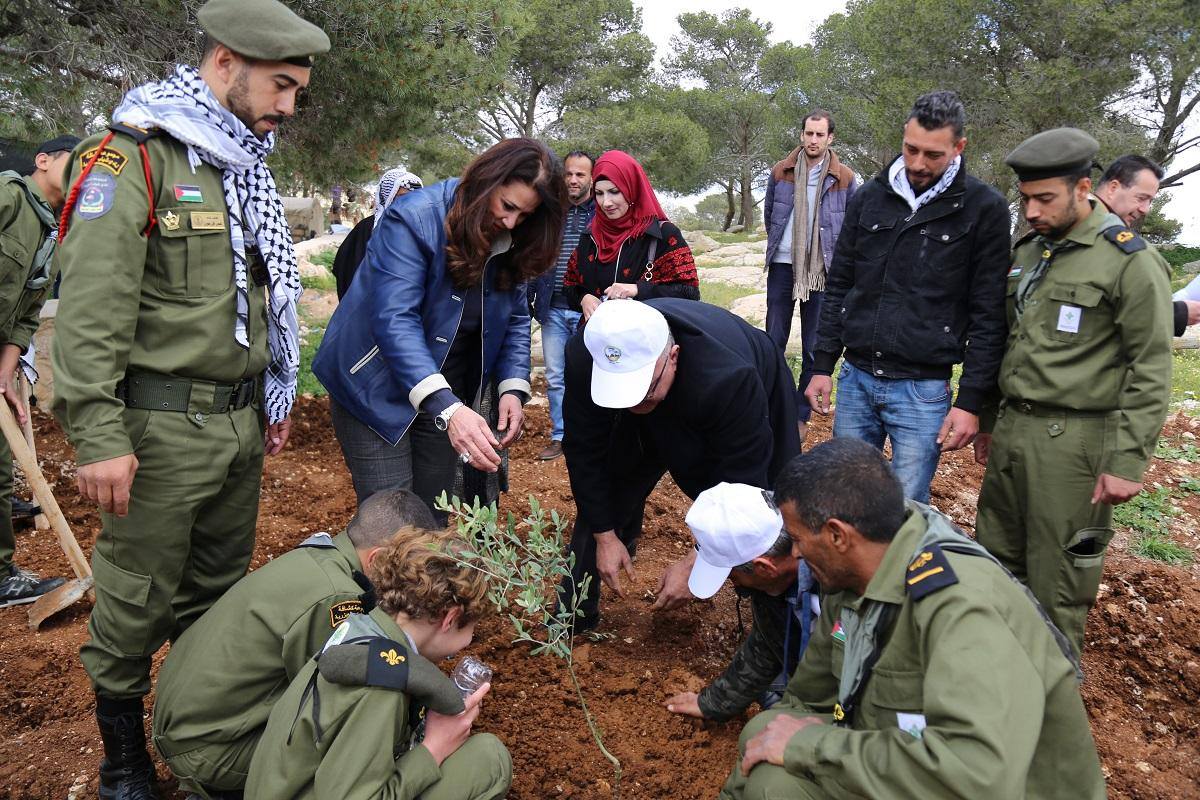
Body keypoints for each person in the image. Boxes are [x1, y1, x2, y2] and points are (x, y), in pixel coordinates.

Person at [49, 1, 329, 796]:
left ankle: (200, 727)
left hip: (237, 426)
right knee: (137, 596)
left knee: (215, 596)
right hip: (159, 431)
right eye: (280, 86)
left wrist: (271, 395)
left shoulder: (238, 165)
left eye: (297, 92)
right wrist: (97, 434)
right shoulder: (133, 157)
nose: (287, 107)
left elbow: (258, 297)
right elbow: (92, 311)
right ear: (225, 62)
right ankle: (125, 756)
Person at [720, 438, 1106, 800]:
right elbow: (807, 698)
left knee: (779, 779)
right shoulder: (855, 572)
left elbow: (978, 774)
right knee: (765, 736)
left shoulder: (961, 606)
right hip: (912, 754)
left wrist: (813, 746)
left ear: (838, 536)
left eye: (799, 538)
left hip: (985, 784)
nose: (797, 555)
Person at [974, 129, 1173, 658]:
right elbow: (1009, 341)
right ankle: (1000, 689)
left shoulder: (1127, 261)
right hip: (1015, 430)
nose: (1033, 211)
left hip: (1075, 443)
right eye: (1026, 200)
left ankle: (1053, 708)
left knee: (1058, 581)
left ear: (1084, 187)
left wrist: (1128, 461)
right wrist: (991, 420)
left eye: (1046, 199)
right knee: (996, 565)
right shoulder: (1031, 251)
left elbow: (1151, 367)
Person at [313, 138, 565, 515]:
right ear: (485, 182)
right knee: (392, 523)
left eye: (525, 216)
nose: (511, 223)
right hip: (375, 384)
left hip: (445, 389)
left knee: (433, 513)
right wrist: (448, 409)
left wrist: (512, 387)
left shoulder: (513, 238)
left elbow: (513, 317)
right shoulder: (413, 218)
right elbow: (394, 320)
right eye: (508, 207)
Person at [152, 488, 435, 799]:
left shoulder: (320, 556)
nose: (413, 580)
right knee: (344, 751)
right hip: (208, 749)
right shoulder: (338, 598)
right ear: (378, 558)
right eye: (410, 566)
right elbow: (334, 701)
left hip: (185, 724)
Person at [804, 90, 1010, 503]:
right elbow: (840, 283)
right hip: (857, 380)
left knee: (905, 509)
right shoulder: (869, 197)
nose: (917, 163)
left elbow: (988, 313)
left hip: (922, 390)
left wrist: (970, 401)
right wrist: (822, 365)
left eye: (932, 155)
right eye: (910, 149)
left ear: (959, 148)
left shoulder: (984, 209)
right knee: (842, 502)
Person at [561, 298, 800, 631]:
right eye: (623, 398)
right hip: (668, 386)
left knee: (769, 513)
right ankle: (573, 617)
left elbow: (744, 483)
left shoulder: (729, 379)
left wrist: (698, 562)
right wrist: (605, 536)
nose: (633, 407)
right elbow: (584, 450)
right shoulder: (588, 354)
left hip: (752, 384)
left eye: (643, 395)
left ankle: (771, 624)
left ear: (672, 357)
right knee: (611, 483)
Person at [245, 529, 512, 800]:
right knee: (488, 761)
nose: (469, 641)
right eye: (472, 629)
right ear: (450, 618)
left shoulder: (360, 628)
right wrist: (435, 748)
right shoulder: (383, 687)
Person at [664, 482, 818, 722]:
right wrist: (712, 703)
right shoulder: (772, 587)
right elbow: (766, 645)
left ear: (764, 568)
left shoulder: (841, 584)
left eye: (733, 576)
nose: (734, 585)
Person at [0, 133, 78, 608]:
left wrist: (7, 370)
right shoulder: (9, 196)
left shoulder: (57, 231)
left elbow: (28, 314)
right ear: (42, 161)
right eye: (75, 161)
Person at [763, 110, 858, 444]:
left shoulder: (844, 177)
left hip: (822, 272)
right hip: (783, 266)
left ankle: (801, 417)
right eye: (808, 134)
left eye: (820, 135)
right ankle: (777, 406)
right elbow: (770, 214)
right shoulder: (781, 171)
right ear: (801, 135)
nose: (813, 140)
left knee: (814, 346)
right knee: (772, 340)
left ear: (830, 137)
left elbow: (849, 226)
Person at [562, 149, 699, 320]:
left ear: (631, 188)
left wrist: (638, 289)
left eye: (614, 191)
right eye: (599, 193)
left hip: (648, 341)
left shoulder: (662, 235)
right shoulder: (590, 236)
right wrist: (583, 298)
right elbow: (570, 284)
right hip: (598, 340)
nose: (606, 202)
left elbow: (689, 292)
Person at [529, 151, 595, 461]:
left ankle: (590, 435)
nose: (573, 179)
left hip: (589, 310)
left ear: (591, 177)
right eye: (569, 173)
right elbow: (535, 253)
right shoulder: (552, 212)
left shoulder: (602, 213)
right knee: (556, 376)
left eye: (580, 174)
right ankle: (561, 436)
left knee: (590, 375)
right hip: (552, 307)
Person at [1092, 154, 1199, 337]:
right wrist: (1175, 314)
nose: (1145, 209)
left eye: (1150, 201)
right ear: (1113, 188)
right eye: (1141, 198)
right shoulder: (1095, 239)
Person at [332, 168, 423, 299]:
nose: (410, 202)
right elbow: (346, 269)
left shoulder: (422, 230)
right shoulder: (366, 229)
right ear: (388, 197)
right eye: (403, 197)